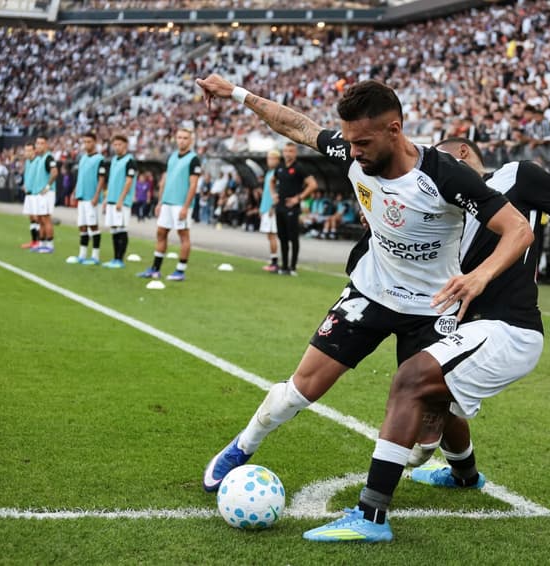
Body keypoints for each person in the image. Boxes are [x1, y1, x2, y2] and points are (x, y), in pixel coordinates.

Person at [194, 75, 532, 495]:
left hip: (431, 308)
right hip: (371, 293)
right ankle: (242, 446)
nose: (353, 152)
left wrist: (480, 275)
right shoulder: (353, 154)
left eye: (363, 143)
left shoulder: (446, 176)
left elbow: (518, 229)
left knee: (427, 435)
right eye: (349, 142)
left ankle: (461, 470)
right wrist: (237, 94)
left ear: (394, 129)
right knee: (300, 389)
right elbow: (297, 126)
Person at [302, 137, 550, 543]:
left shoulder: (517, 177)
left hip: (509, 328)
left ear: (461, 154)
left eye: (438, 157)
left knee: (412, 379)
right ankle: (465, 475)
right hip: (464, 325)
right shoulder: (441, 204)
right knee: (433, 392)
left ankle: (370, 516)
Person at [138, 127, 201, 281]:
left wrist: (186, 207)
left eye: (185, 138)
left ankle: (180, 271)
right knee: (161, 233)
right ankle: (155, 269)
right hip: (167, 202)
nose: (182, 140)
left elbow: (193, 185)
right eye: (179, 137)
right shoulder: (172, 157)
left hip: (181, 204)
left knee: (183, 236)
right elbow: (165, 180)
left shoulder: (193, 159)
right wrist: (160, 202)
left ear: (191, 140)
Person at [271, 142, 318, 276]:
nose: (287, 153)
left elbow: (313, 184)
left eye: (290, 151)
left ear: (295, 153)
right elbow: (272, 181)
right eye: (286, 151)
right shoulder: (279, 167)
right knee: (282, 237)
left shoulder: (299, 168)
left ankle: (292, 267)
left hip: (292, 207)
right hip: (280, 206)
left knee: (293, 238)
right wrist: (274, 194)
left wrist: (298, 198)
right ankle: (284, 266)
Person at [66, 131, 106, 266]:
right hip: (82, 196)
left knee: (93, 226)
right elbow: (80, 177)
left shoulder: (100, 159)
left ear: (94, 142)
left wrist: (96, 196)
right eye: (85, 142)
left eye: (89, 142)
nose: (86, 144)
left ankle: (95, 256)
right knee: (82, 226)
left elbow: (101, 179)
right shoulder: (82, 158)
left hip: (91, 198)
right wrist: (75, 191)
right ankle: (82, 254)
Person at [102, 134, 137, 269]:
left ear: (125, 145)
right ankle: (115, 258)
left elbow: (128, 181)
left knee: (122, 228)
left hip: (121, 201)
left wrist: (121, 199)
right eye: (115, 145)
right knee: (114, 229)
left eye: (119, 144)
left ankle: (120, 259)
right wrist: (106, 198)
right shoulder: (114, 160)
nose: (117, 147)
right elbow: (112, 182)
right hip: (111, 200)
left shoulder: (130, 161)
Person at [32, 136, 58, 254]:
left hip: (46, 194)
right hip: (40, 193)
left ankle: (50, 245)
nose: (39, 146)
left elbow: (54, 172)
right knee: (40, 219)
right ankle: (42, 244)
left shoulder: (48, 157)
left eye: (42, 143)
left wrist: (47, 187)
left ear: (46, 145)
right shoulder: (41, 158)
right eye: (37, 143)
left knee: (46, 219)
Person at [259, 149, 281, 272]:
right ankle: (273, 259)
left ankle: (274, 262)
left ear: (277, 160)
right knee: (269, 235)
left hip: (272, 209)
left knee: (272, 235)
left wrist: (273, 206)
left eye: (272, 158)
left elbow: (277, 192)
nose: (269, 161)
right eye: (268, 158)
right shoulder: (269, 173)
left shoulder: (277, 174)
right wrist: (262, 208)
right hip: (266, 208)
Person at [19, 143, 40, 249]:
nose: (26, 153)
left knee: (37, 217)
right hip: (28, 193)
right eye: (25, 150)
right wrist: (25, 184)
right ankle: (33, 241)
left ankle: (39, 241)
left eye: (29, 150)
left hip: (36, 193)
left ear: (34, 151)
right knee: (31, 217)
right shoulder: (27, 162)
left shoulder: (38, 161)